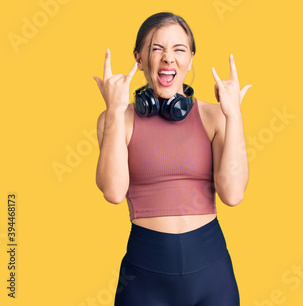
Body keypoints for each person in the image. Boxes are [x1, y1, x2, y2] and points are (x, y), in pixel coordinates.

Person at [93, 12, 252, 306]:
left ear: (190, 60)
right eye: (156, 48)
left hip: (212, 274)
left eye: (179, 49)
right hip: (144, 277)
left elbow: (233, 194)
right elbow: (113, 192)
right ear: (139, 59)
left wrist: (235, 116)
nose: (168, 58)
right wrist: (114, 111)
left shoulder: (215, 116)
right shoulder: (116, 120)